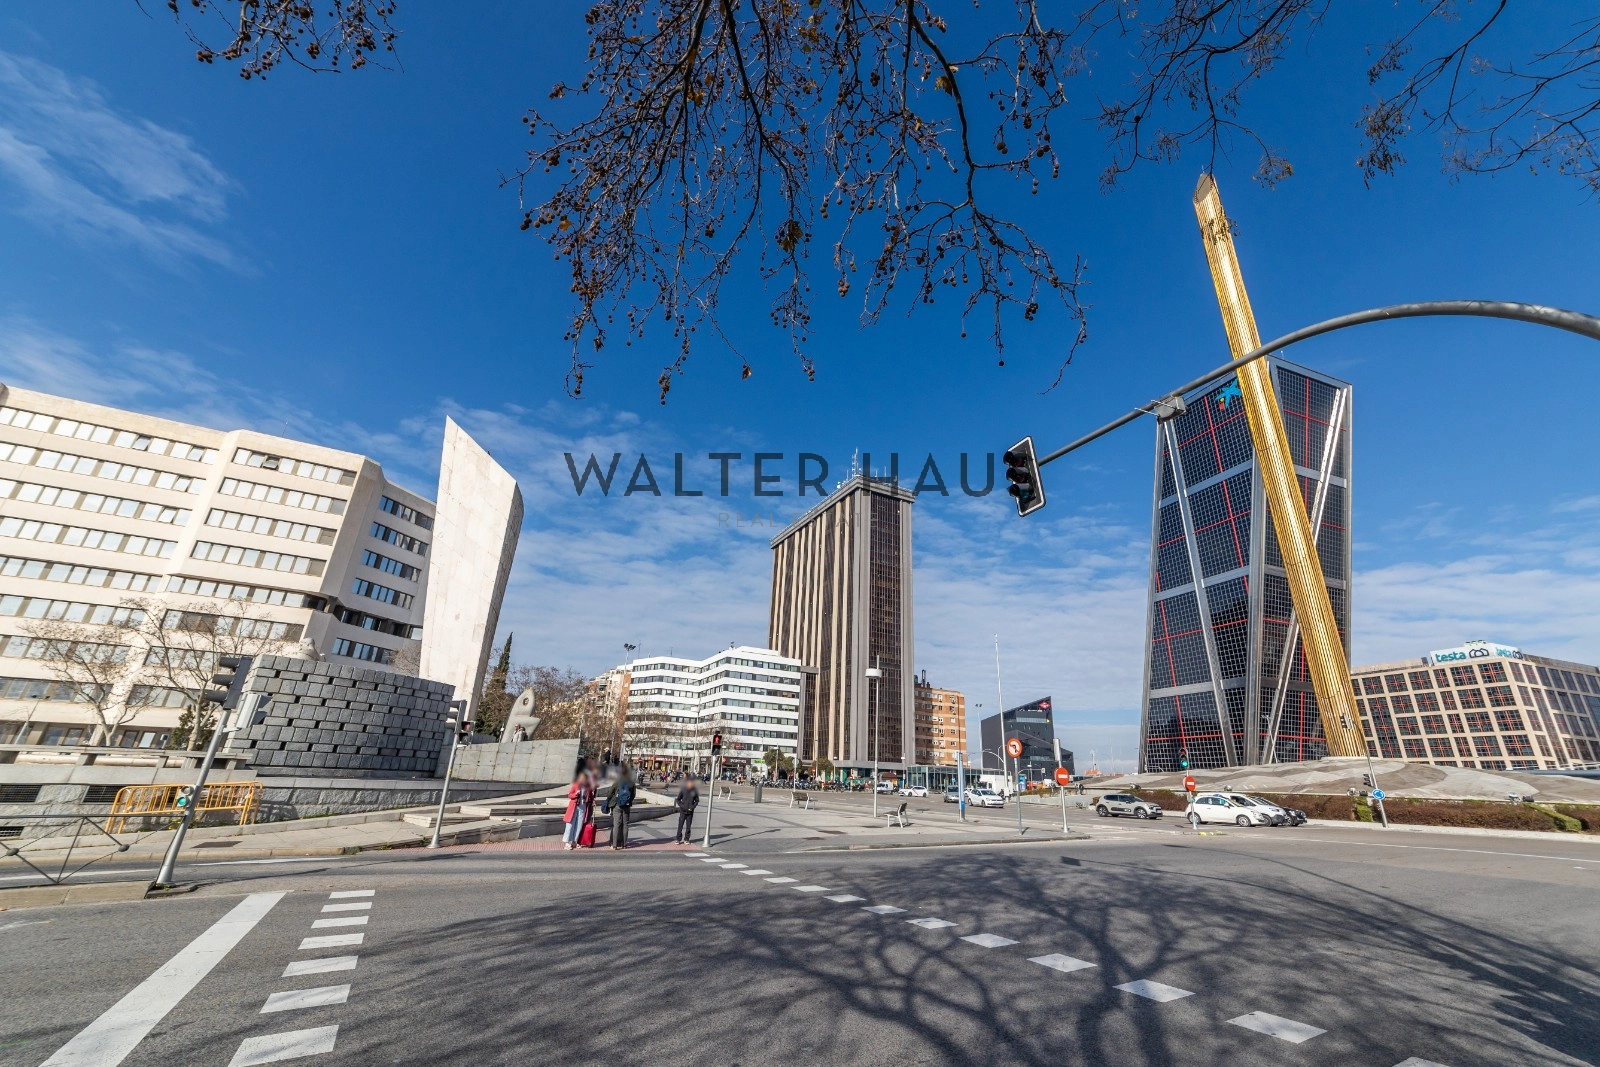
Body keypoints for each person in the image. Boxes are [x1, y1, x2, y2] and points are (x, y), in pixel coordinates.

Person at [604, 763, 636, 850]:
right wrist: (628, 801)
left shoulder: (617, 781)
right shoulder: (631, 782)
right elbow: (633, 795)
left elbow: (610, 793)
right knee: (625, 825)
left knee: (616, 825)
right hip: (627, 806)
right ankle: (624, 844)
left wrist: (610, 800)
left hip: (617, 805)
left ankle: (614, 845)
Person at [561, 762, 593, 851]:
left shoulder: (588, 786)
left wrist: (591, 800)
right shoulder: (576, 784)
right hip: (574, 807)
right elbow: (569, 795)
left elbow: (590, 796)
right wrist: (575, 794)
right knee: (570, 825)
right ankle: (567, 842)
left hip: (583, 807)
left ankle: (574, 841)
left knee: (579, 825)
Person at [673, 775, 700, 844]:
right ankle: (678, 839)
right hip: (683, 811)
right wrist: (682, 806)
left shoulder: (694, 791)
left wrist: (693, 806)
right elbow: (678, 799)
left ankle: (686, 839)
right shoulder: (683, 790)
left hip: (690, 811)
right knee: (680, 825)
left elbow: (697, 801)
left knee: (688, 826)